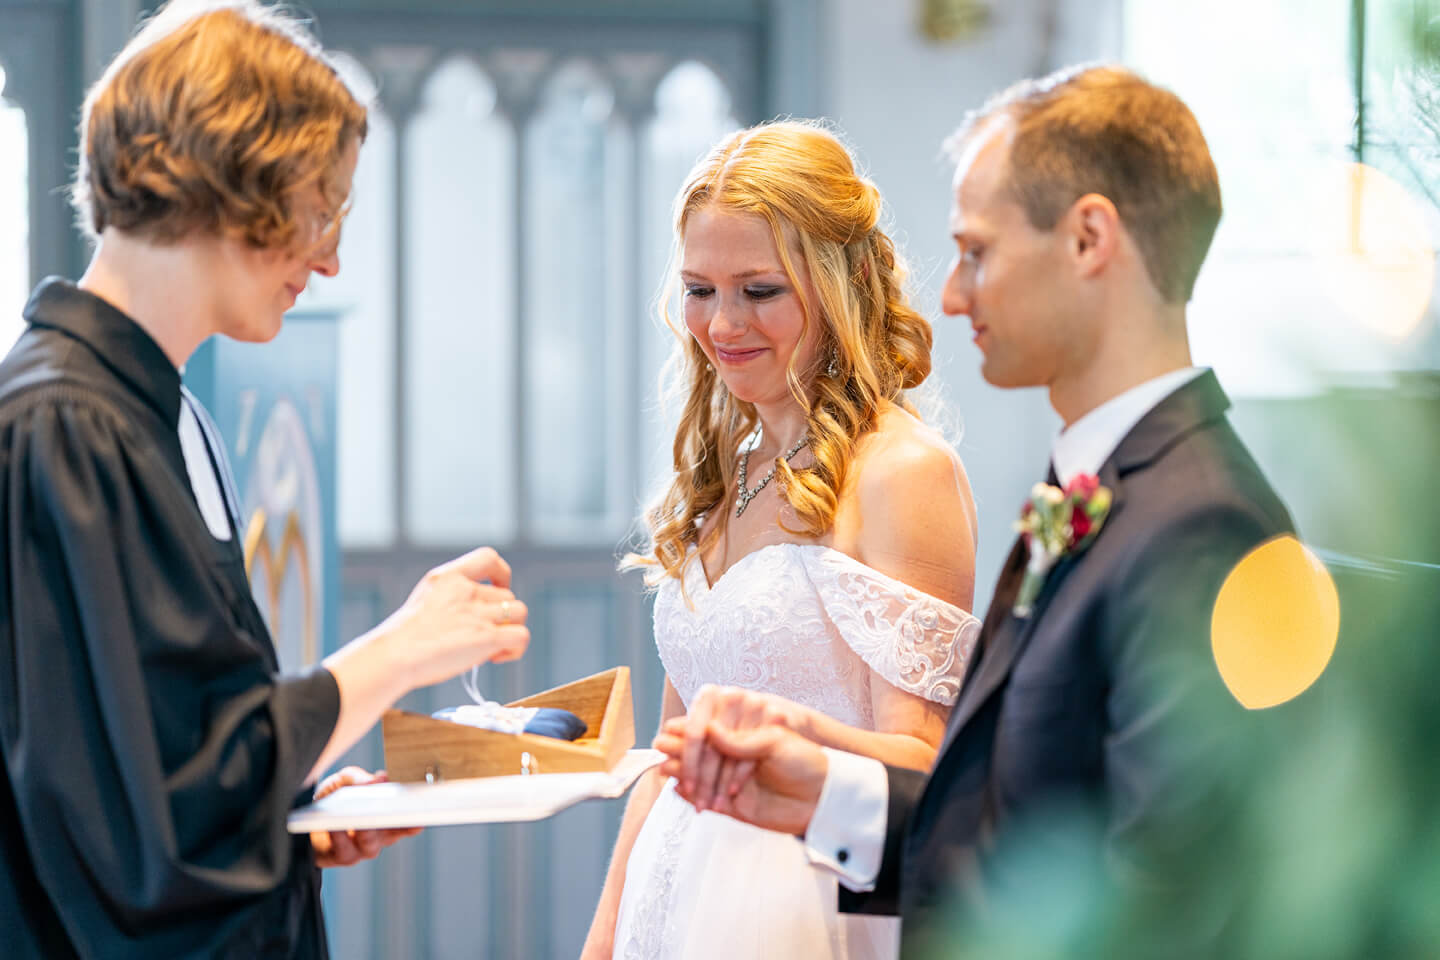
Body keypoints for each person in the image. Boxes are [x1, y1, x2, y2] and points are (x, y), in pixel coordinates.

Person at [655, 65, 1296, 956]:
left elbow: (1167, 898)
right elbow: (1009, 810)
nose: (950, 296)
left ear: (1088, 240)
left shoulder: (1199, 525)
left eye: (978, 251)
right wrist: (817, 781)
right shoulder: (1097, 488)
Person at [0, 3, 529, 957]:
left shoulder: (165, 410)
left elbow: (176, 755)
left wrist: (291, 817)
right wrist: (400, 650)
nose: (328, 259)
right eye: (319, 209)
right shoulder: (65, 426)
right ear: (231, 179)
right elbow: (135, 838)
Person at [582, 120, 981, 960]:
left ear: (841, 283)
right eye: (700, 288)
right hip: (673, 897)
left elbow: (925, 765)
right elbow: (668, 759)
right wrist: (605, 935)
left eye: (759, 290)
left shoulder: (900, 471)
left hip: (799, 902)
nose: (722, 323)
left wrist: (786, 734)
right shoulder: (730, 471)